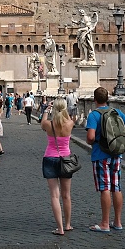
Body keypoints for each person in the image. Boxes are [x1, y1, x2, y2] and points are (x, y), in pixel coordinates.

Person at [84, 87, 125, 233]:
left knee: (105, 188)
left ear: (95, 99)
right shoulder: (116, 112)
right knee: (117, 187)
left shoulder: (94, 115)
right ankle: (118, 222)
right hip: (116, 153)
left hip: (101, 155)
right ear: (108, 98)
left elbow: (91, 138)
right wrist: (115, 136)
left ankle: (105, 223)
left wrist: (101, 138)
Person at [41, 98, 75, 235]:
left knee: (55, 196)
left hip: (50, 158)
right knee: (66, 195)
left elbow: (42, 123)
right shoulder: (70, 123)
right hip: (66, 159)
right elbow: (71, 117)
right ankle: (67, 224)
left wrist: (46, 110)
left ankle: (60, 228)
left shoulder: (49, 124)